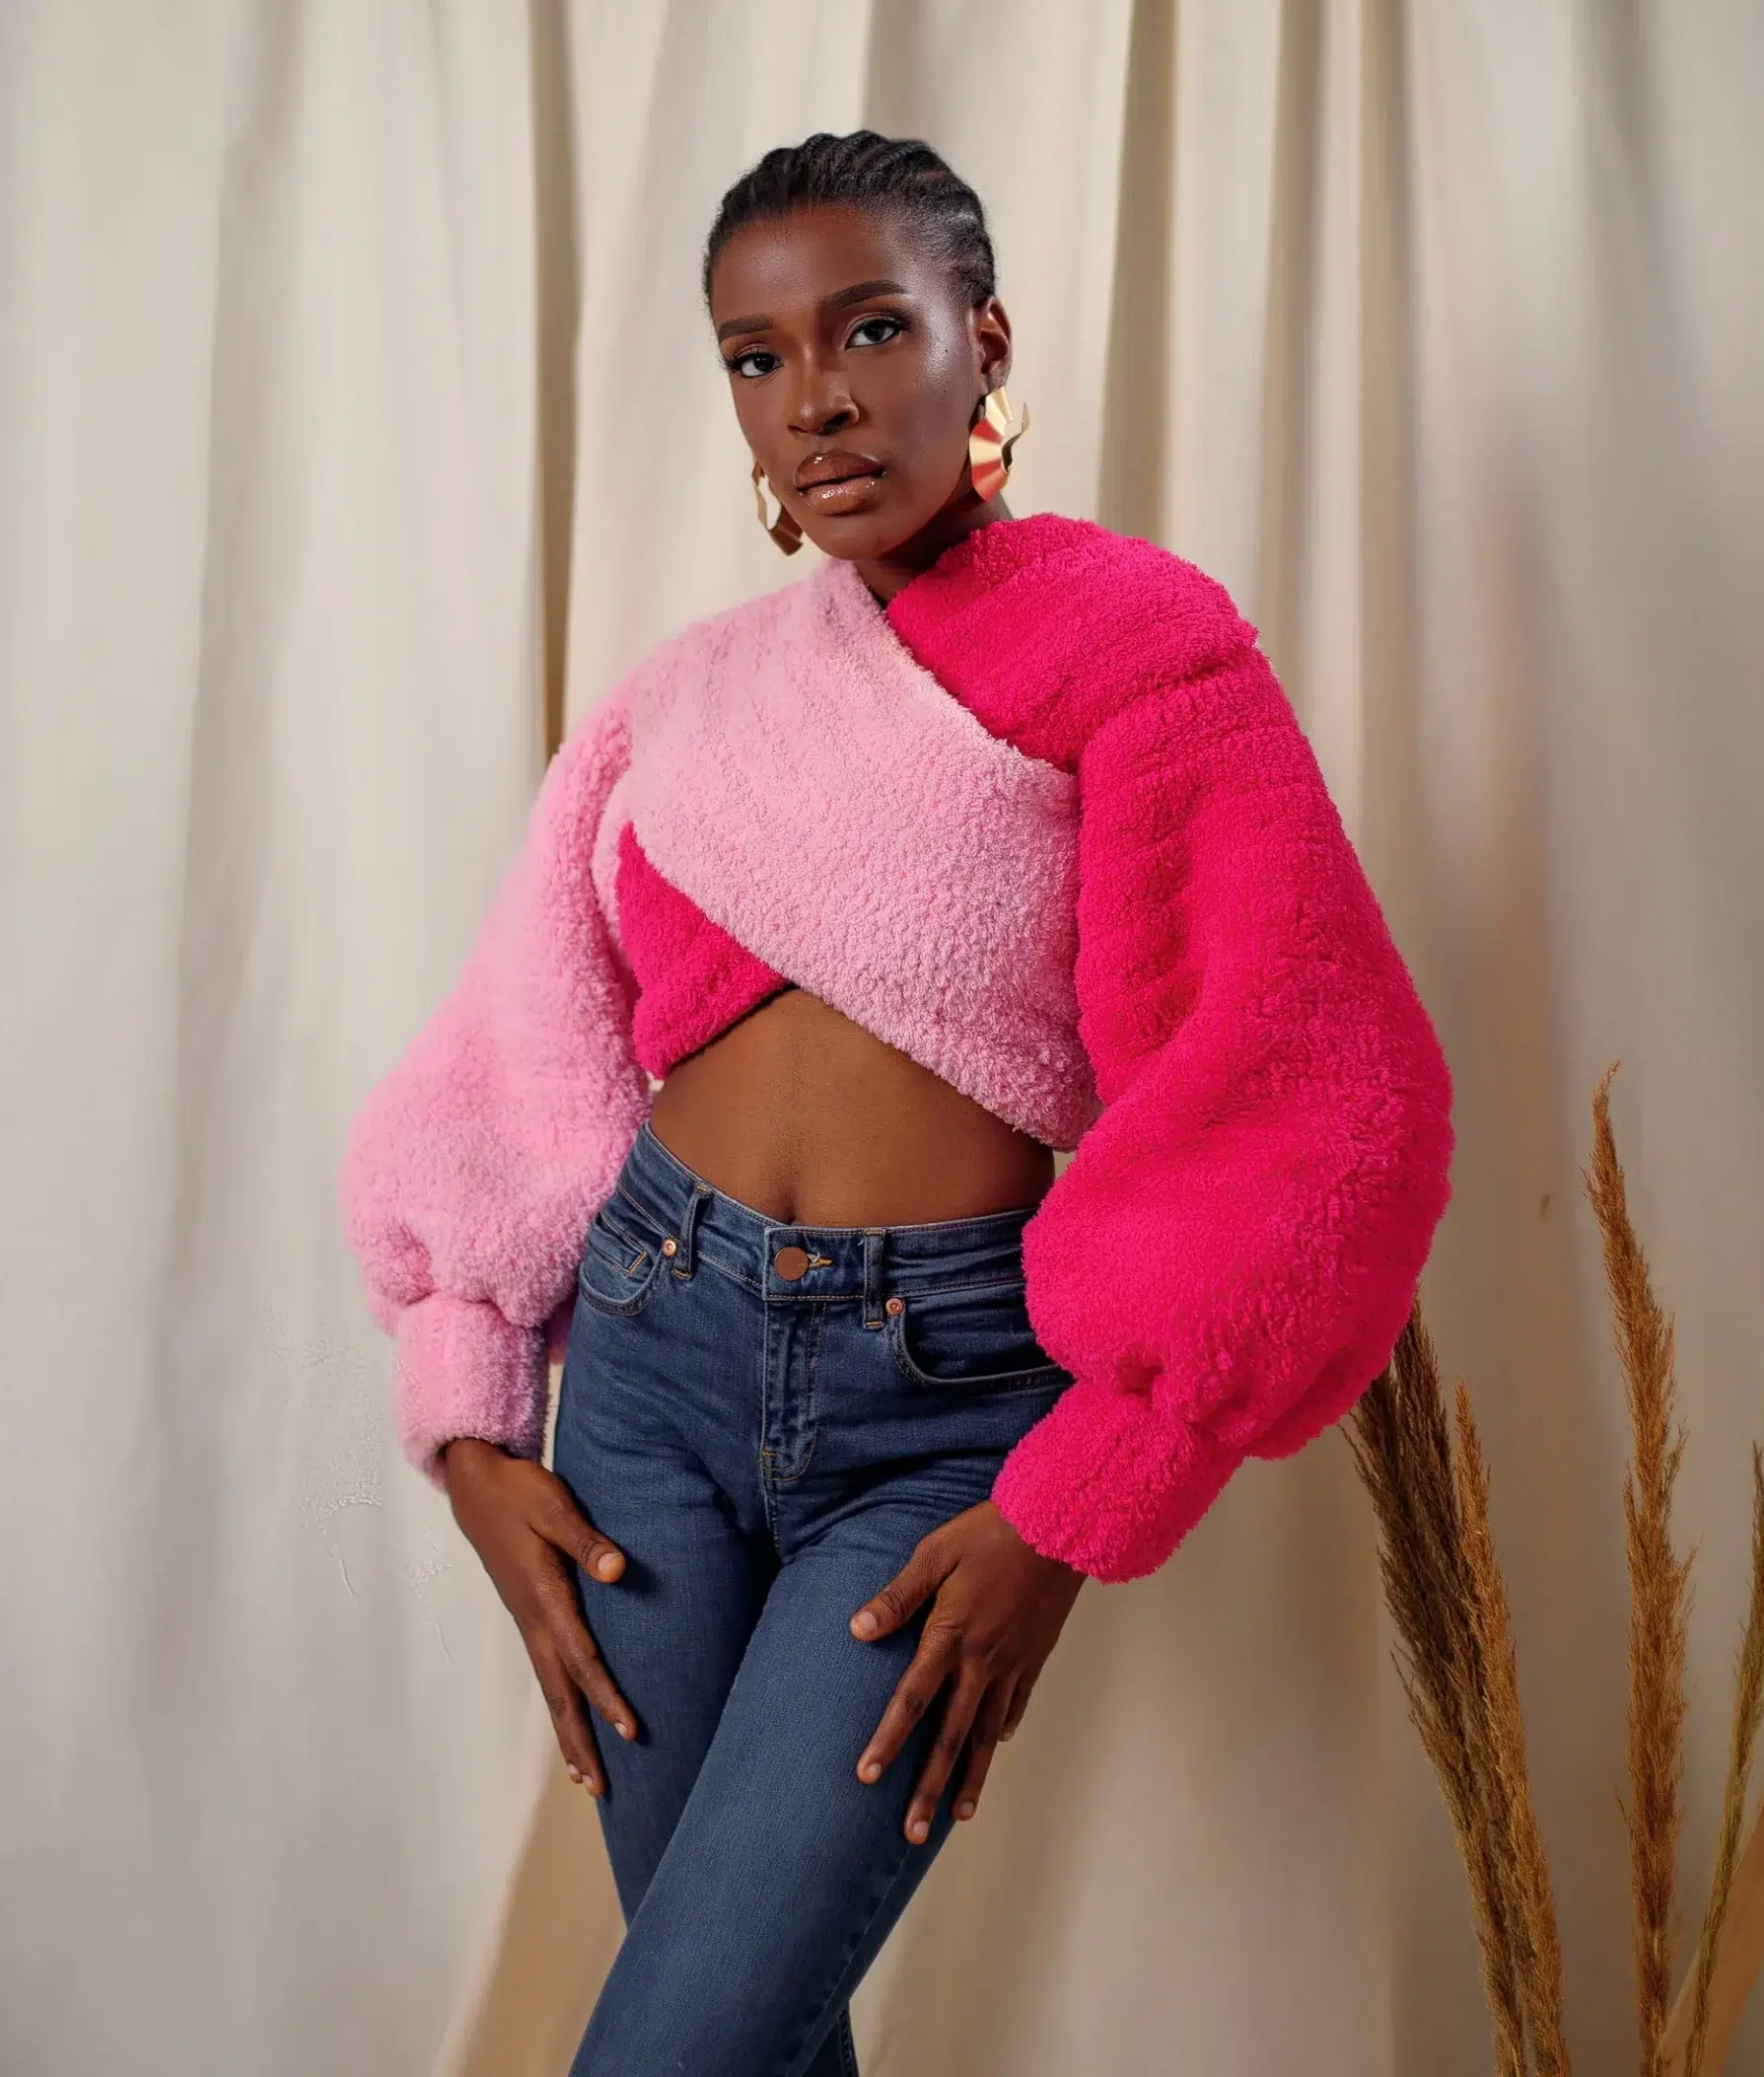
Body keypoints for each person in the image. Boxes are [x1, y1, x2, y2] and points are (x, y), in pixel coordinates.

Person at [339, 129, 1455, 2076]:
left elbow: (1320, 1099)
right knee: (750, 2036)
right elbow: (512, 1049)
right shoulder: (679, 698)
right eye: (755, 357)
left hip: (937, 1418)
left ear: (981, 335)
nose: (817, 396)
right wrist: (465, 1410)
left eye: (868, 326)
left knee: (678, 2043)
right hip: (645, 1384)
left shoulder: (1140, 643)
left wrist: (1081, 1499)